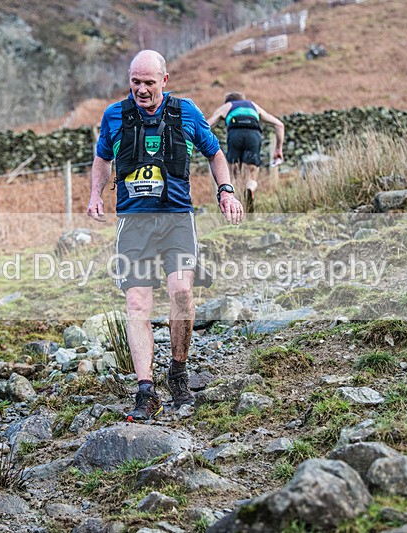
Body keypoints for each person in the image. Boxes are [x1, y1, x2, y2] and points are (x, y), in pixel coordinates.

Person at [87, 50, 244, 421]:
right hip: (134, 222)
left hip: (176, 217)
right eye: (135, 82)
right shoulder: (113, 115)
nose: (141, 90)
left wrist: (226, 190)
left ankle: (177, 371)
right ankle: (146, 392)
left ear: (164, 80)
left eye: (148, 83)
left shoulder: (186, 111)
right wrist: (95, 193)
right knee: (138, 304)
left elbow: (215, 153)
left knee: (181, 292)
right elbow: (101, 159)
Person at [207, 92, 285, 212]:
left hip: (235, 134)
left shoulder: (227, 106)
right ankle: (250, 188)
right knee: (252, 172)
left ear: (228, 101)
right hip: (253, 135)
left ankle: (234, 202)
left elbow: (206, 125)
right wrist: (278, 149)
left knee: (233, 173)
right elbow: (279, 125)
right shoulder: (253, 105)